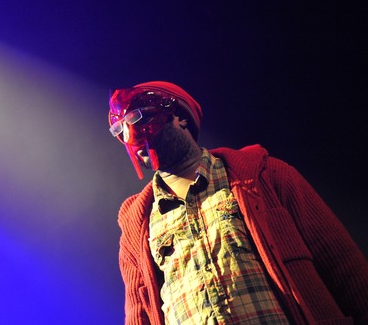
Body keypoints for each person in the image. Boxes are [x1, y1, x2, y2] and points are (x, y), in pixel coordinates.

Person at [109, 81, 368, 324]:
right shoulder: (137, 225)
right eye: (119, 129)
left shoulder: (265, 176)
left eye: (138, 119)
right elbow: (139, 313)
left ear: (181, 117)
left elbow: (344, 267)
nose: (131, 136)